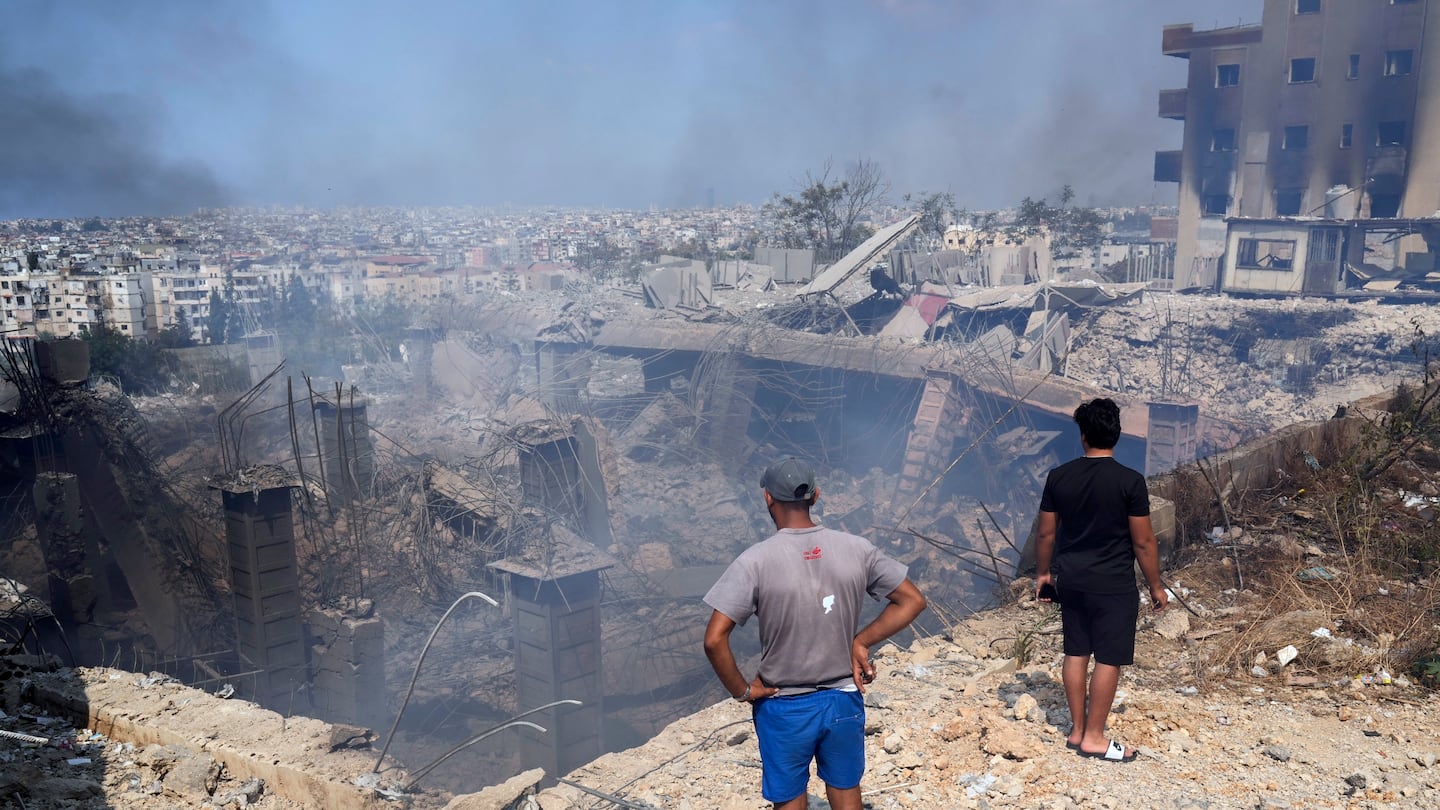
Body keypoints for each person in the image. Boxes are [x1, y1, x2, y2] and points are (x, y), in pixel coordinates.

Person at [703, 457, 927, 809]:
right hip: (843, 700)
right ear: (816, 496)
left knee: (790, 799)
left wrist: (744, 690)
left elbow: (715, 639)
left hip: (783, 706)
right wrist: (862, 640)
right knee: (846, 790)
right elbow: (912, 600)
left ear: (767, 499)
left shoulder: (754, 561)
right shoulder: (857, 548)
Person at [1034, 398, 1168, 763]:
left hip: (1072, 580)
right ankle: (1095, 736)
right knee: (1108, 657)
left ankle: (1076, 730)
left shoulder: (1059, 477)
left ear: (1082, 436)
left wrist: (1043, 574)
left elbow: (1046, 535)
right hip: (1113, 584)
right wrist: (1156, 585)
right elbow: (1143, 541)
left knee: (1075, 651)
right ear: (1117, 435)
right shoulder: (1129, 481)